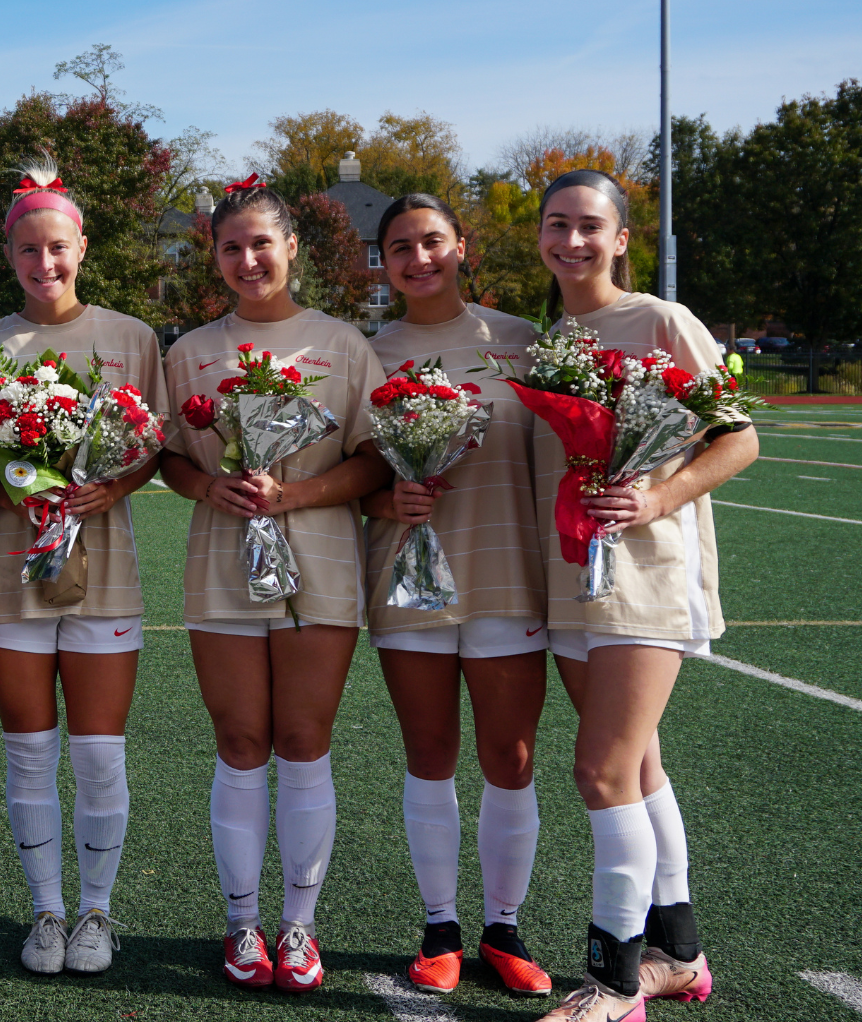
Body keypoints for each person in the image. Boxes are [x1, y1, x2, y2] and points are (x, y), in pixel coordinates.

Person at [527, 170, 752, 1022]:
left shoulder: (661, 320)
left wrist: (655, 498)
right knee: (642, 765)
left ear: (622, 238)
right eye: (557, 225)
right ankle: (680, 955)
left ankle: (614, 983)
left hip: (647, 575)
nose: (572, 241)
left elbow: (739, 438)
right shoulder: (555, 336)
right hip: (572, 579)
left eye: (591, 226)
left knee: (601, 770)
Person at [158, 179, 391, 994]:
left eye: (262, 243)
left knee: (302, 740)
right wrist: (207, 487)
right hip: (222, 562)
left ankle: (299, 926)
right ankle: (242, 924)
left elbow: (371, 458)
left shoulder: (343, 342)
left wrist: (293, 496)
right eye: (231, 246)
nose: (248, 259)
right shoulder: (187, 349)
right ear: (215, 256)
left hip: (321, 561)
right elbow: (169, 458)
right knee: (240, 742)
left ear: (292, 247)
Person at [0, 158, 166, 976]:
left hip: (103, 564)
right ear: (9, 256)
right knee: (27, 749)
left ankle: (96, 911)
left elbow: (151, 448)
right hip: (7, 564)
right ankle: (45, 911)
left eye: (59, 248)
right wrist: (17, 483)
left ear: (82, 246)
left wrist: (109, 484)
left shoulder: (131, 337)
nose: (44, 265)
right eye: (28, 252)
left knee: (98, 752)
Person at [359, 194, 552, 998]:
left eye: (432, 240)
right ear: (384, 261)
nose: (418, 257)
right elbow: (352, 476)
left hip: (509, 570)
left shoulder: (523, 341)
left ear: (461, 245)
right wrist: (385, 502)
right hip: (409, 575)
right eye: (399, 246)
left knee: (509, 757)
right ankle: (440, 925)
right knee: (430, 754)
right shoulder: (369, 351)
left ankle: (503, 927)